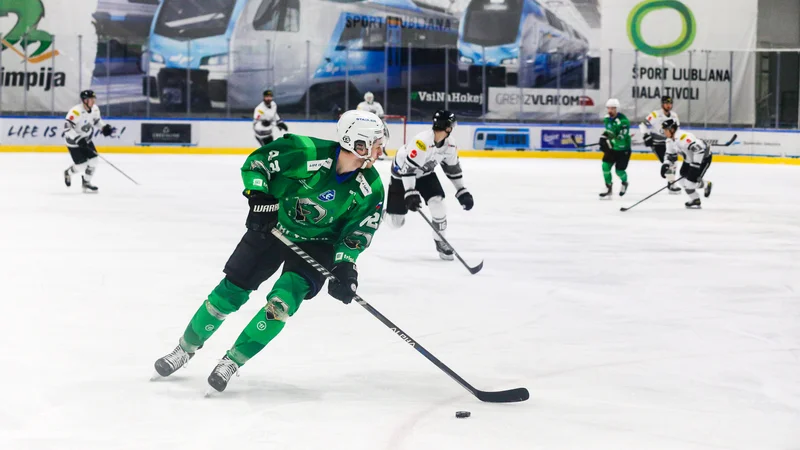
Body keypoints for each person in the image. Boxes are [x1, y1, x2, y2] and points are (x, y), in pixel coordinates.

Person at [153, 110, 386, 393]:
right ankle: (184, 349)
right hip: (274, 225)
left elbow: (358, 231)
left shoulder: (371, 187)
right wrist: (260, 195)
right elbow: (258, 163)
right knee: (230, 292)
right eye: (374, 142)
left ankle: (232, 361)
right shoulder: (306, 150)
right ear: (356, 143)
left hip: (318, 243)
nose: (379, 148)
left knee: (281, 305)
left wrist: (346, 266)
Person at [386, 110, 473, 260]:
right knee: (396, 223)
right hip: (401, 176)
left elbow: (453, 169)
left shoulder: (450, 144)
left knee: (437, 203)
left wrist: (461, 190)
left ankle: (441, 241)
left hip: (425, 174)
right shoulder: (422, 142)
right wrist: (410, 192)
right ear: (448, 127)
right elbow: (408, 169)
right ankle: (384, 213)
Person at [63, 90, 114, 193]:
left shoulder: (95, 109)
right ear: (85, 100)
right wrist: (77, 138)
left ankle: (86, 182)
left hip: (86, 139)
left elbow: (96, 121)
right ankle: (68, 172)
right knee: (82, 166)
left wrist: (103, 127)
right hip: (74, 142)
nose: (93, 101)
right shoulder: (75, 112)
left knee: (94, 160)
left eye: (94, 99)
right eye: (91, 99)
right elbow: (67, 128)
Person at [661, 119, 713, 208]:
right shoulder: (669, 141)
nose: (664, 132)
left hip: (702, 159)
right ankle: (695, 199)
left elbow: (699, 150)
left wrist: (695, 165)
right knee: (682, 181)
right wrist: (665, 164)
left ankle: (706, 184)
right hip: (689, 160)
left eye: (665, 130)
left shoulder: (683, 137)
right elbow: (669, 155)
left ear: (672, 129)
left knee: (690, 184)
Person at [639, 96, 682, 194]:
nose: (668, 105)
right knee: (667, 163)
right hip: (658, 143)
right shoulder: (655, 114)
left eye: (670, 103)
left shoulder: (674, 115)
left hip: (670, 142)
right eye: (666, 103)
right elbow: (643, 125)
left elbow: (677, 130)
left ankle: (671, 183)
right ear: (662, 104)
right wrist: (646, 136)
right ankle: (671, 183)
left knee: (674, 162)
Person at [599, 98, 632, 198]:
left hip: (623, 149)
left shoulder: (623, 121)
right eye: (608, 108)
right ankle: (608, 188)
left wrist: (608, 138)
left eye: (612, 108)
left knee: (619, 171)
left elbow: (621, 138)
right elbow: (609, 131)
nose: (610, 110)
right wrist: (603, 138)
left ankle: (624, 182)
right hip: (613, 148)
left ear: (616, 109)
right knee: (605, 166)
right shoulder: (606, 119)